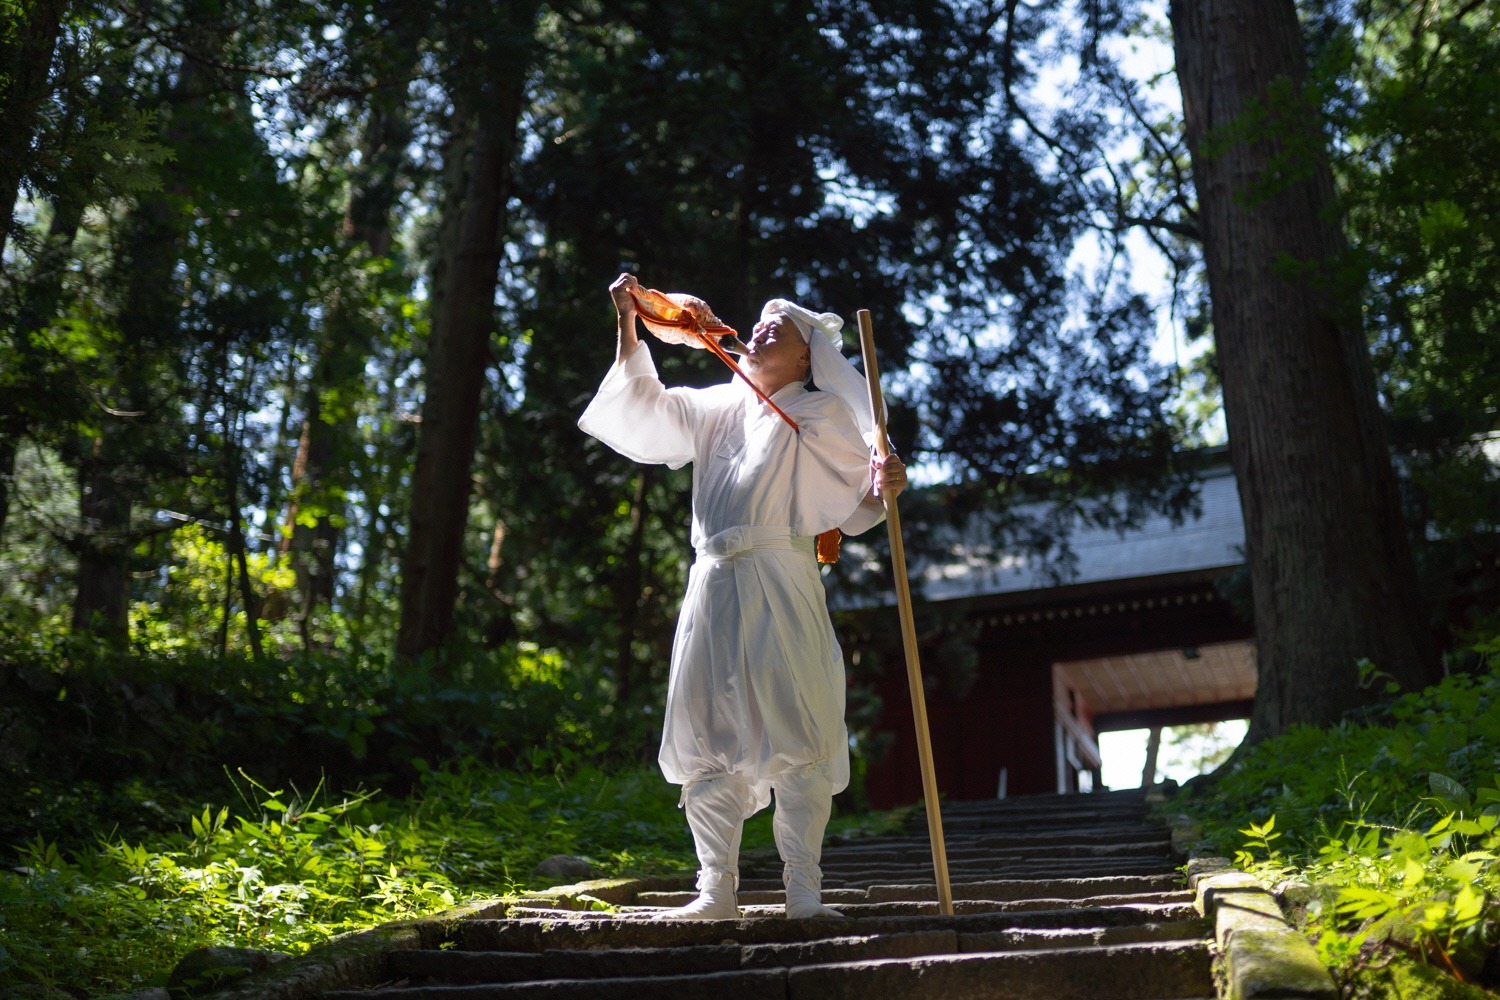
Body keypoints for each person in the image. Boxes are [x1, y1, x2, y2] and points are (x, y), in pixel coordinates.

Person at [579, 272, 907, 920]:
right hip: (712, 586)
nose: (759, 329)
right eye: (756, 322)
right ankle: (714, 891)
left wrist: (883, 476)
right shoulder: (715, 407)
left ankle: (804, 892)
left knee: (799, 730)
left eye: (776, 328)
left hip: (779, 577)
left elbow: (853, 495)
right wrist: (630, 321)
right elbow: (644, 404)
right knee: (706, 736)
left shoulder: (817, 412)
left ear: (808, 357)